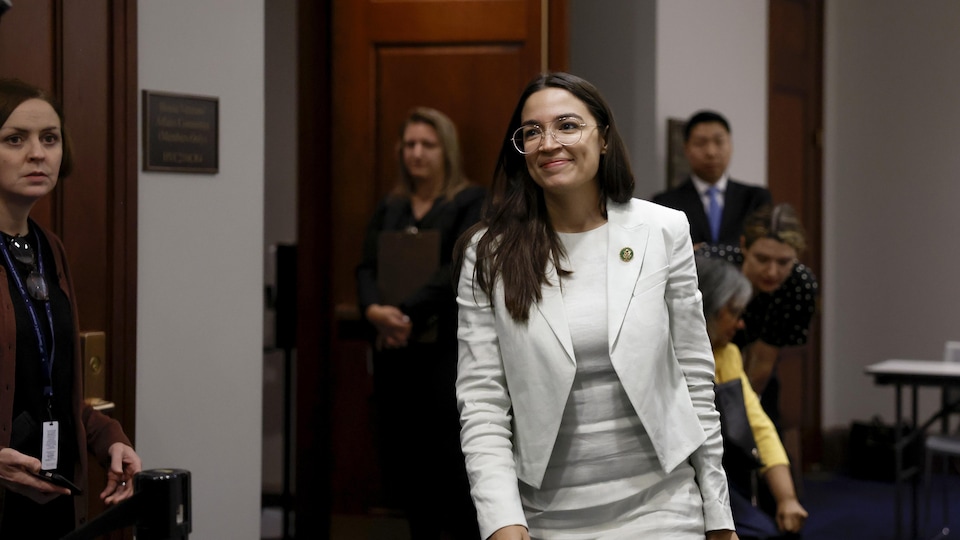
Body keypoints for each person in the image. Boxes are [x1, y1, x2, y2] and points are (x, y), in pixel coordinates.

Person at [454, 71, 738, 540]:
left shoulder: (662, 230)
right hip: (547, 513)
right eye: (532, 131)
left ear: (603, 138)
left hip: (663, 505)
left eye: (567, 125)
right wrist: (502, 518)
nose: (549, 143)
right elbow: (483, 400)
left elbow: (694, 376)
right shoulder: (490, 252)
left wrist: (718, 513)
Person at [0, 77, 142, 538]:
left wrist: (108, 438)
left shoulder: (49, 248)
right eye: (14, 139)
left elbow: (48, 385)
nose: (37, 154)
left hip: (53, 498)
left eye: (50, 138)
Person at [356, 106, 483, 539]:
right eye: (409, 144)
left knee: (451, 469)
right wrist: (373, 311)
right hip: (396, 356)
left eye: (427, 144)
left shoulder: (470, 202)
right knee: (408, 469)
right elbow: (365, 267)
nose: (417, 152)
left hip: (445, 356)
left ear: (446, 150)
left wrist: (405, 312)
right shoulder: (391, 206)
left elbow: (458, 267)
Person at [696, 255, 808, 539]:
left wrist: (787, 499)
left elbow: (759, 426)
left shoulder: (728, 354)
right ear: (706, 310)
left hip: (726, 478)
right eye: (733, 312)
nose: (741, 324)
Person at [697, 203, 818, 428]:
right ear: (744, 246)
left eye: (783, 262)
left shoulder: (799, 285)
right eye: (762, 259)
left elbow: (763, 362)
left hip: (750, 372)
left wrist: (740, 419)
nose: (772, 272)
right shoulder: (712, 265)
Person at [652, 110, 771, 246]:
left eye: (719, 142)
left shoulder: (755, 198)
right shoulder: (665, 204)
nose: (711, 152)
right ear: (686, 149)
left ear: (730, 145)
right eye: (700, 143)